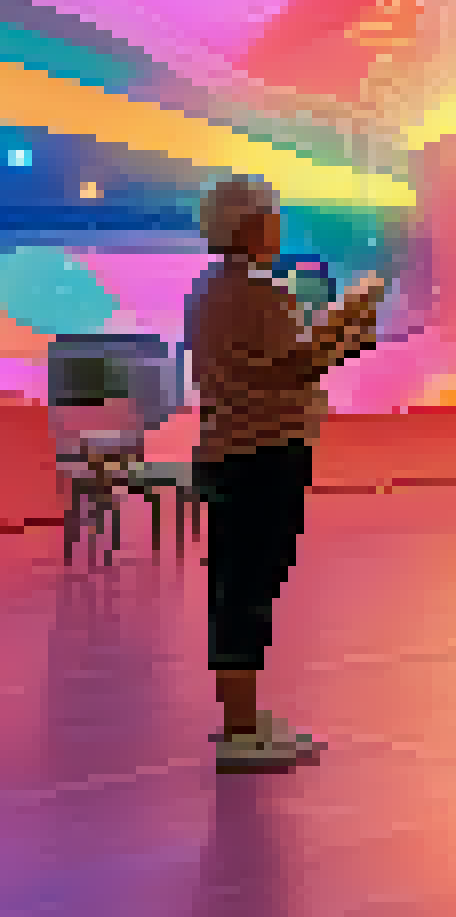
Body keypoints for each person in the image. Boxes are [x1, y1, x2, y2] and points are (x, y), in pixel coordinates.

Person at [185, 175, 383, 771]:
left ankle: (241, 716)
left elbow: (275, 359)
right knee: (251, 588)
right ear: (249, 226)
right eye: (271, 217)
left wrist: (342, 323)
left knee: (237, 583)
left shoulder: (210, 288)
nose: (277, 227)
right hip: (266, 451)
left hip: (228, 451)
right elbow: (296, 366)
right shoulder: (260, 293)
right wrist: (353, 330)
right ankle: (242, 731)